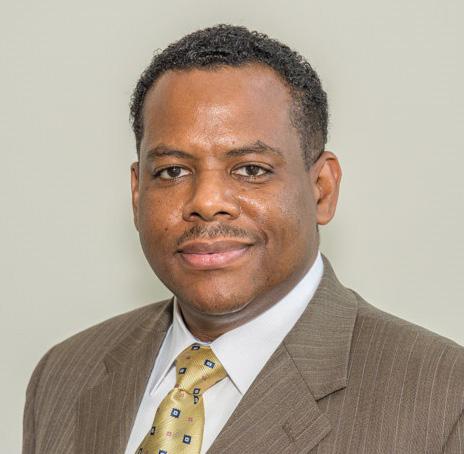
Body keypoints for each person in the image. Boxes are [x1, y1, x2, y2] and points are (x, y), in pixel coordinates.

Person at [23, 24, 463, 454]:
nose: (207, 201)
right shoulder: (63, 374)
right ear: (138, 193)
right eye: (172, 171)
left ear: (322, 189)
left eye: (251, 169)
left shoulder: (443, 398)